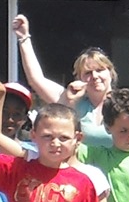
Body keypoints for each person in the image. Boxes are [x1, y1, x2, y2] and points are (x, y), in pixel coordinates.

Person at [13, 14, 117, 145]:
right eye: (88, 73)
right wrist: (24, 38)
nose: (95, 76)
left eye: (100, 70)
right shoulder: (71, 100)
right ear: (79, 78)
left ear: (111, 72)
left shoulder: (122, 103)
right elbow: (36, 79)